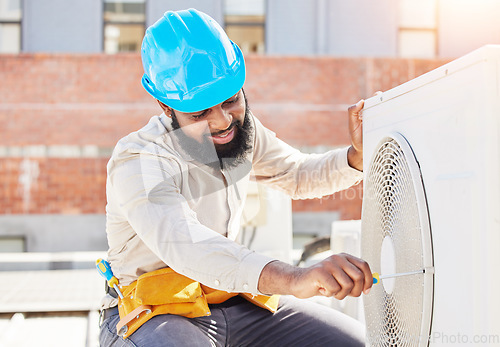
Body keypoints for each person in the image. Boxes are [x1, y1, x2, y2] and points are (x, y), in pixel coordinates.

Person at [99, 8, 373, 347]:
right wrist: (294, 277)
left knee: (356, 343)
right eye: (200, 112)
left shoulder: (242, 131)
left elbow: (297, 174)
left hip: (230, 298)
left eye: (231, 100)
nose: (222, 122)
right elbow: (187, 245)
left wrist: (357, 156)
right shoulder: (139, 160)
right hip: (154, 313)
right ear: (165, 105)